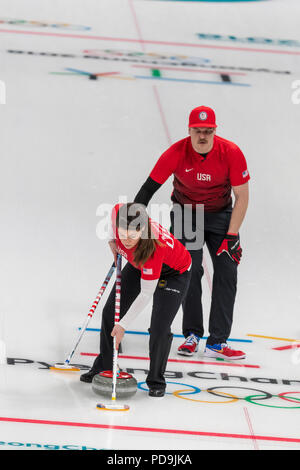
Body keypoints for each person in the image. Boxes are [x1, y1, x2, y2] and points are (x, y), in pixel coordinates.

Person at [134, 106, 250, 360]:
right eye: (198, 130)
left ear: (214, 131)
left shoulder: (231, 152)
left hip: (221, 216)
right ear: (189, 130)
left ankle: (218, 341)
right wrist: (131, 222)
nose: (202, 136)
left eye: (208, 131)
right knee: (190, 269)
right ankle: (192, 334)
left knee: (227, 272)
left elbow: (242, 196)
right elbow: (147, 189)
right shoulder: (176, 153)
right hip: (188, 214)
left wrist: (231, 236)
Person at [80, 202, 192, 397]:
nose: (127, 240)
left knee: (159, 328)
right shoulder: (119, 215)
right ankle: (106, 365)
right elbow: (114, 213)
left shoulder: (154, 247)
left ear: (142, 229)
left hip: (173, 273)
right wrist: (112, 241)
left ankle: (156, 380)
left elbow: (146, 293)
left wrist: (123, 325)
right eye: (122, 235)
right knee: (109, 313)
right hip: (138, 262)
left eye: (132, 236)